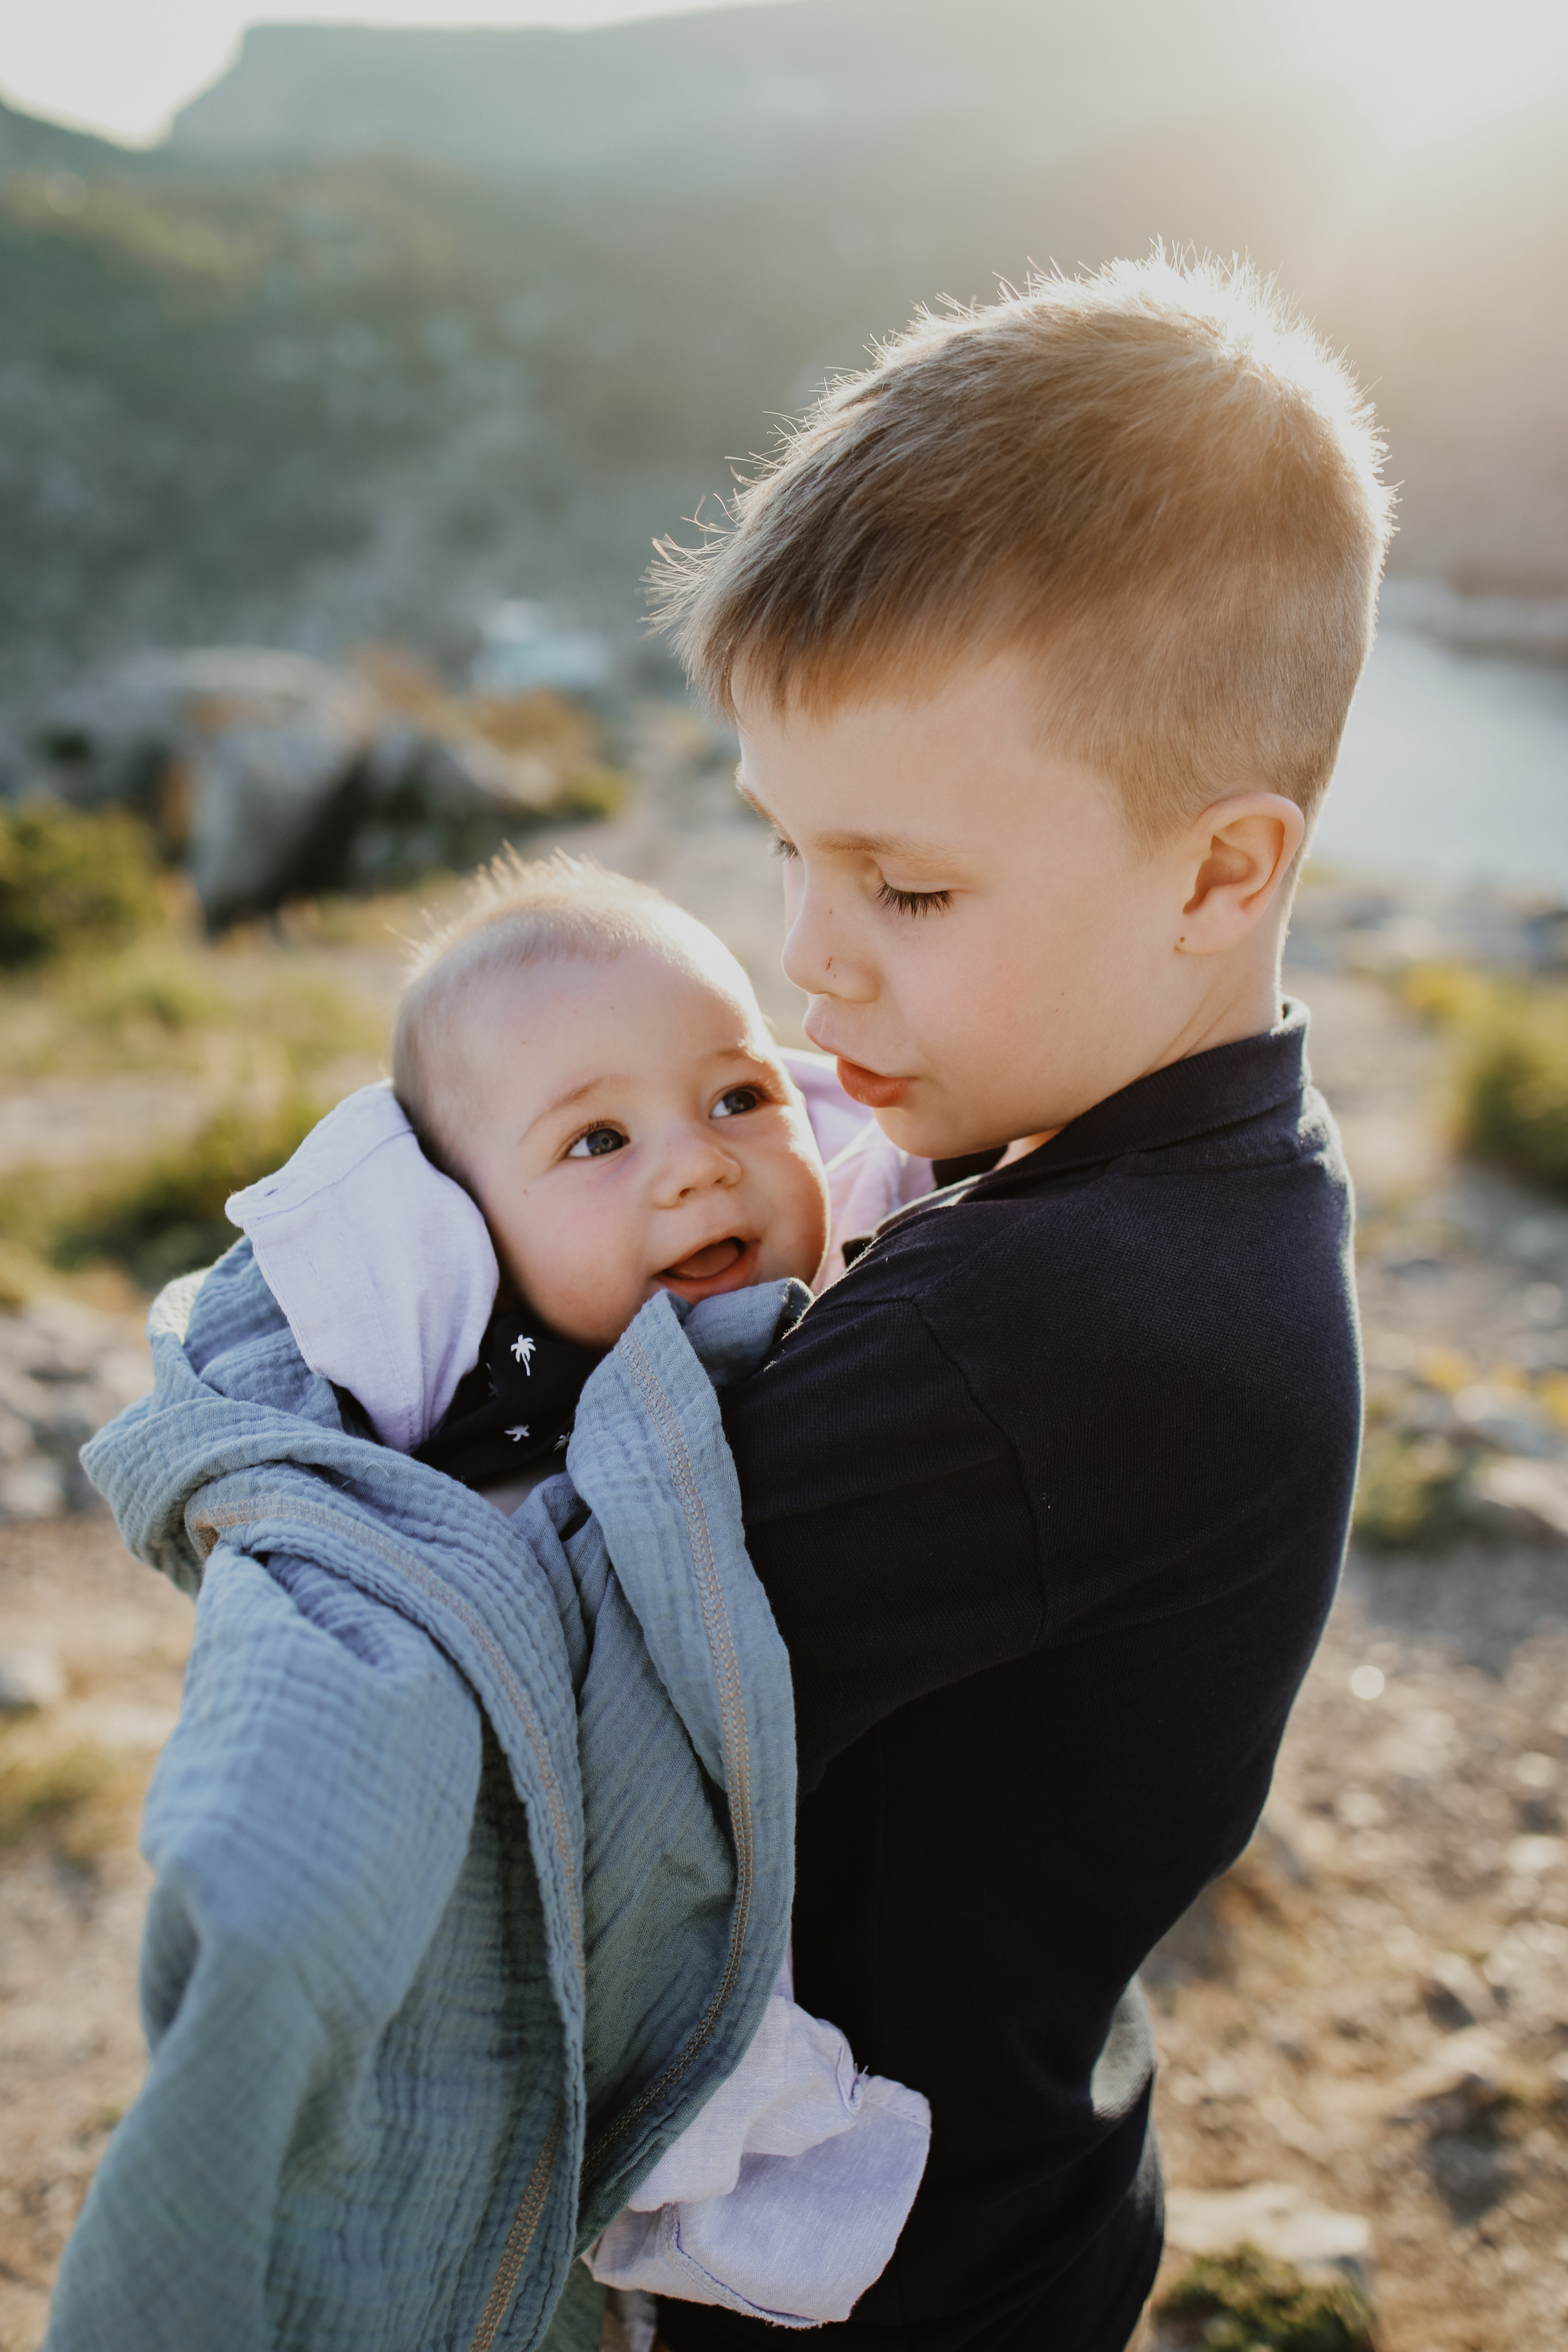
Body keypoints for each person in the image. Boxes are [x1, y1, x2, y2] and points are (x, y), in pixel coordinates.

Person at [636, 252, 1390, 2351]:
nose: (811, 958)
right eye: (785, 846)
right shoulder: (1181, 1174)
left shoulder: (1056, 1335)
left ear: (1223, 873)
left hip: (851, 2293)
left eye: (910, 889)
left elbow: (569, 1634)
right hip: (1017, 2185)